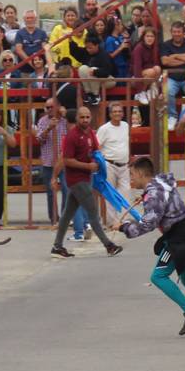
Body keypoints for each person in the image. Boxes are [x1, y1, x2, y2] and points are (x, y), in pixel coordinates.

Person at [119, 156, 185, 336]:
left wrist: (124, 227)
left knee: (158, 276)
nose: (131, 178)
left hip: (179, 241)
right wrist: (143, 197)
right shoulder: (159, 183)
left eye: (132, 174)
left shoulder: (153, 194)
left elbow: (148, 224)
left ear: (140, 173)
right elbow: (157, 203)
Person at [49, 107, 123, 259]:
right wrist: (88, 166)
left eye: (87, 117)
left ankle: (57, 246)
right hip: (77, 180)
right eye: (82, 117)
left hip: (86, 179)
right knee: (93, 213)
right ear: (77, 118)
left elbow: (95, 151)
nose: (85, 120)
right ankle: (108, 245)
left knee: (67, 214)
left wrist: (98, 162)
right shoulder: (72, 136)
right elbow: (67, 160)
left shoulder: (90, 133)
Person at [36, 98, 82, 233]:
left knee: (67, 191)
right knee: (51, 192)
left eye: (51, 107)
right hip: (49, 162)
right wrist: (49, 128)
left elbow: (76, 131)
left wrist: (66, 114)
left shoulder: (65, 120)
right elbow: (39, 139)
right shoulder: (43, 121)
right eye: (47, 107)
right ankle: (54, 218)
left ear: (58, 106)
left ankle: (65, 218)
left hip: (64, 162)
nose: (49, 109)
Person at [96, 102, 132, 229]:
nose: (117, 113)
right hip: (109, 164)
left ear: (122, 113)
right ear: (110, 114)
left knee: (126, 192)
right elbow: (97, 146)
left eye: (119, 111)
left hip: (124, 164)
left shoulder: (126, 126)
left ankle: (124, 220)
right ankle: (112, 222)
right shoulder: (104, 129)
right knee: (110, 194)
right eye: (114, 111)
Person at [160, 21, 185, 130]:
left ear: (183, 33)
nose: (176, 34)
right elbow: (165, 61)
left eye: (179, 32)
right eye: (174, 32)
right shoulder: (165, 45)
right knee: (167, 90)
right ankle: (172, 117)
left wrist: (175, 56)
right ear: (171, 32)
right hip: (172, 77)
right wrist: (184, 60)